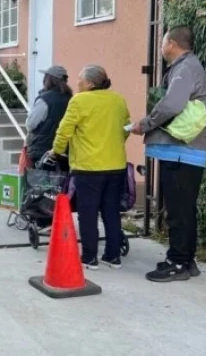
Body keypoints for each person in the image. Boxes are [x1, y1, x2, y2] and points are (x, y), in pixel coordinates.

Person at [132, 26, 206, 282]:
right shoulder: (188, 67)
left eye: (163, 42)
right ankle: (186, 260)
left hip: (180, 152)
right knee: (184, 209)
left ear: (172, 43)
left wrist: (146, 123)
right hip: (184, 153)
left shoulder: (185, 68)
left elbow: (173, 104)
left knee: (178, 210)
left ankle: (177, 263)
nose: (161, 47)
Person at [51, 65, 130, 270]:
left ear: (90, 83)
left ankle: (89, 257)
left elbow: (64, 130)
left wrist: (56, 151)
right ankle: (113, 256)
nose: (77, 82)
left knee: (88, 212)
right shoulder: (118, 100)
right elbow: (126, 129)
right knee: (111, 211)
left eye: (80, 79)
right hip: (116, 165)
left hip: (89, 167)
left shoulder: (79, 100)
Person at [25, 66, 73, 169]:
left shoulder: (44, 99)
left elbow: (30, 124)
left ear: (48, 79)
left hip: (42, 151)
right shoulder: (71, 99)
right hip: (65, 150)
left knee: (41, 183)